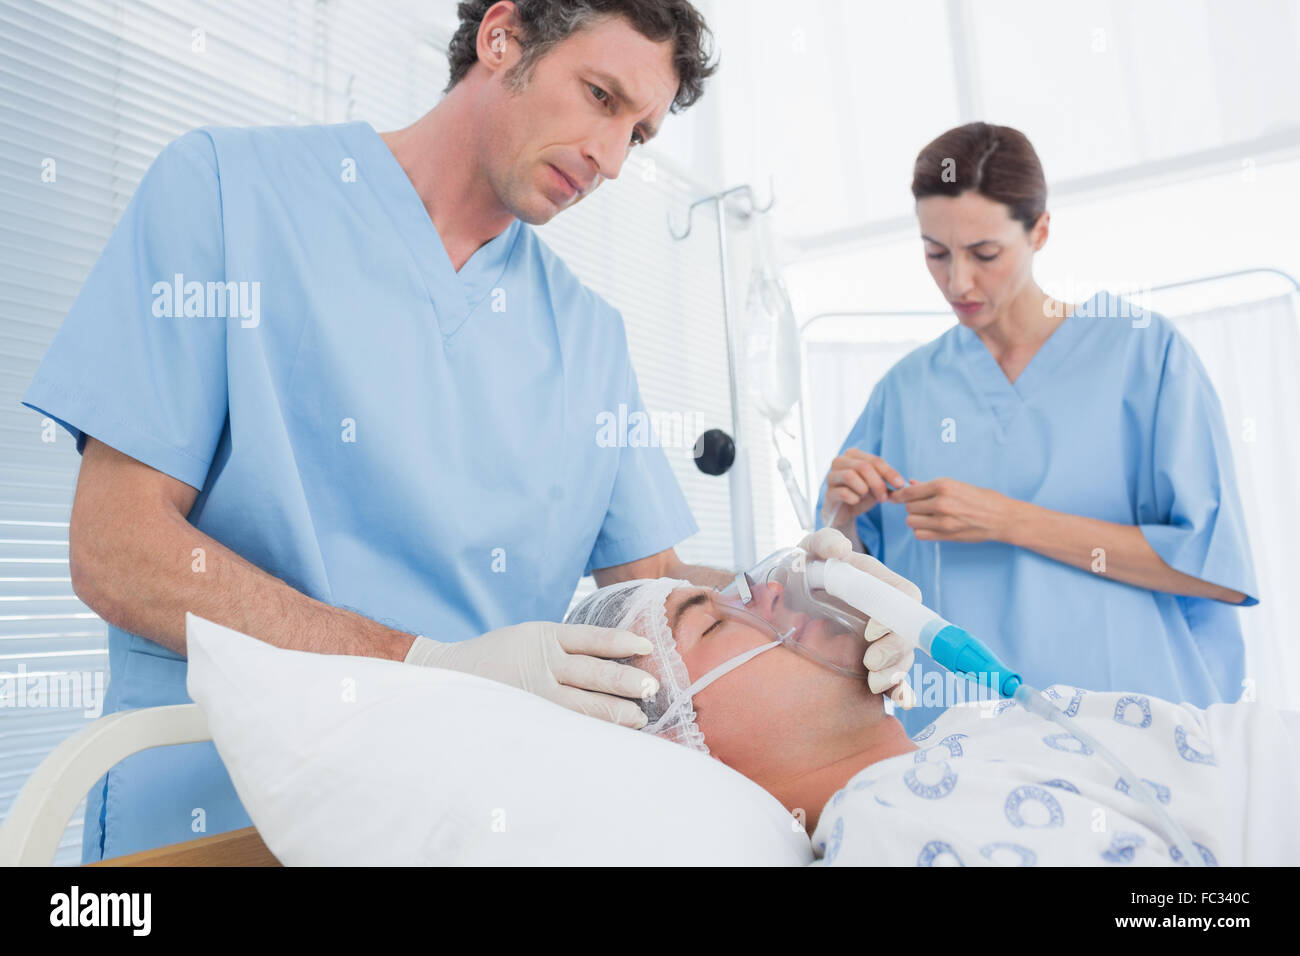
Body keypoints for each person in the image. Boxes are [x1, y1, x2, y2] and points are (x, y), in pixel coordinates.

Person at [22, 0, 739, 862]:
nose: (613, 159)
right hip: (217, 813)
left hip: (468, 823)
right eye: (599, 96)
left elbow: (654, 592)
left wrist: (806, 595)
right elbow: (116, 545)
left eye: (640, 133)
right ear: (500, 36)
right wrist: (422, 663)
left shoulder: (588, 337)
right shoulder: (227, 191)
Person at [817, 122, 1258, 735]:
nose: (957, 282)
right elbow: (850, 593)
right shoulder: (906, 388)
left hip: (1140, 731)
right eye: (935, 253)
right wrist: (846, 518)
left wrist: (1006, 520)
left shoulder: (1142, 353)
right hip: (962, 742)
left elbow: (1216, 572)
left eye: (985, 254)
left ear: (1040, 231)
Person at [565, 531, 1300, 865]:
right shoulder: (884, 829)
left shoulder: (968, 729)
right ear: (680, 741)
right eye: (714, 618)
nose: (758, 588)